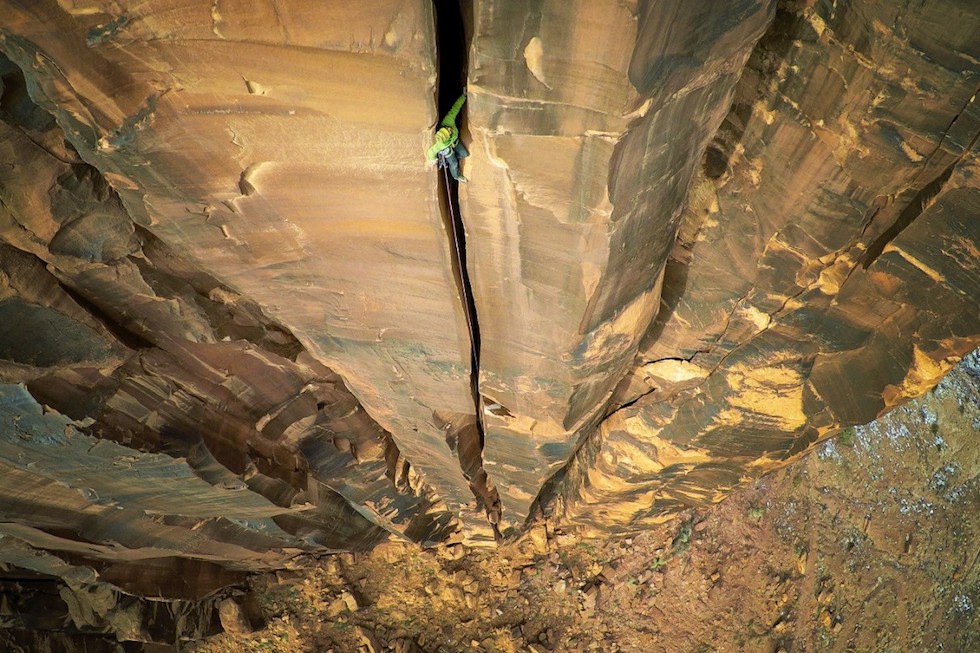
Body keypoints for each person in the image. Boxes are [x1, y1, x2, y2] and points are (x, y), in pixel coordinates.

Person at [426, 92, 469, 183]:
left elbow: (455, 108)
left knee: (464, 154)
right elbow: (430, 152)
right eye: (448, 131)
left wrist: (463, 96)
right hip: (447, 150)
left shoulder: (448, 121)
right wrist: (433, 160)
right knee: (454, 164)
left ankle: (450, 161)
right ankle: (456, 176)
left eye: (447, 129)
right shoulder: (440, 145)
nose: (449, 129)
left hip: (455, 142)